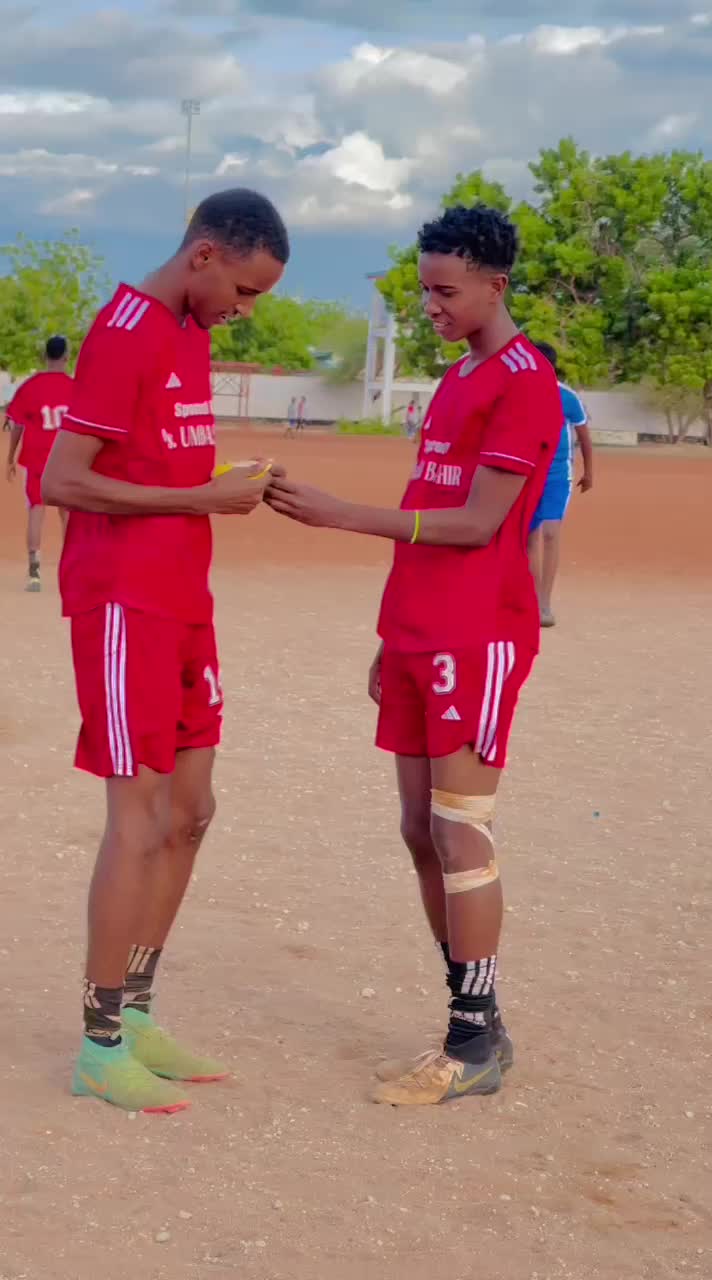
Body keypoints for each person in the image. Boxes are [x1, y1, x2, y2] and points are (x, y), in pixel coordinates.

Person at [267, 203, 562, 1107]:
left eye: (446, 290)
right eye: (425, 289)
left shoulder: (526, 380)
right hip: (419, 633)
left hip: (476, 635)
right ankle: (481, 1025)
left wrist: (340, 514)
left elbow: (476, 524)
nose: (431, 305)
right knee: (417, 830)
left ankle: (470, 1041)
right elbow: (431, 506)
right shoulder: (458, 376)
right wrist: (389, 633)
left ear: (495, 286)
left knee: (460, 831)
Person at [41, 187, 289, 1114]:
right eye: (244, 289)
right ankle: (99, 1044)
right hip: (123, 603)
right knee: (138, 820)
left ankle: (138, 1012)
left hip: (185, 598)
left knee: (191, 812)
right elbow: (64, 479)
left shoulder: (191, 329)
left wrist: (217, 483)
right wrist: (198, 499)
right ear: (203, 256)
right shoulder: (126, 332)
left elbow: (153, 460)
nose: (245, 308)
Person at [527, 342, 592, 628]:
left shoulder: (567, 396)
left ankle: (545, 603)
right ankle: (531, 601)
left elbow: (584, 436)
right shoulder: (519, 393)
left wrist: (589, 472)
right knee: (529, 536)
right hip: (527, 475)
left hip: (556, 476)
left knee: (551, 533)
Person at [5, 336, 74, 591]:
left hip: (37, 459)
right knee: (68, 514)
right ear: (66, 357)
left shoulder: (30, 387)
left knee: (36, 510)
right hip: (66, 461)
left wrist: (11, 456)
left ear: (45, 357)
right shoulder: (75, 387)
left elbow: (17, 425)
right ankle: (71, 570)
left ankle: (34, 573)